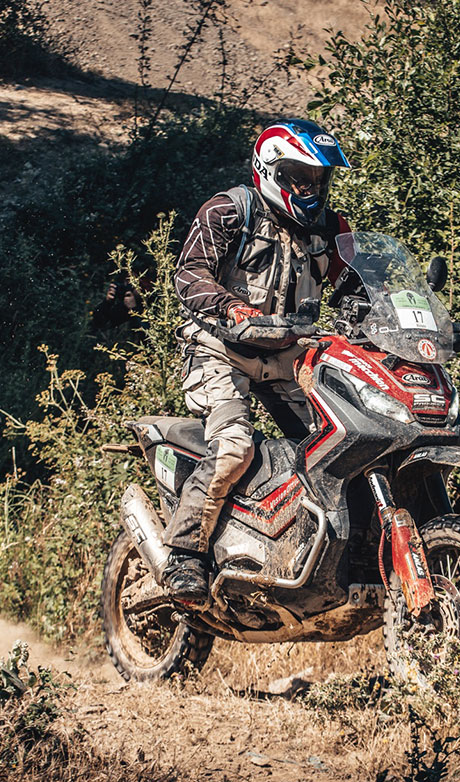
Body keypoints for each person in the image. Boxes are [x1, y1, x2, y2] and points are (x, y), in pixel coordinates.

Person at [159, 119, 356, 601]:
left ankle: (302, 547)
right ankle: (185, 555)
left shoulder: (333, 229)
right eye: (301, 177)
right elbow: (189, 273)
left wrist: (394, 315)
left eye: (319, 179)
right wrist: (230, 305)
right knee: (234, 447)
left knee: (339, 442)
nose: (311, 189)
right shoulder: (230, 210)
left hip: (287, 354)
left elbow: (359, 286)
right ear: (271, 171)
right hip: (220, 349)